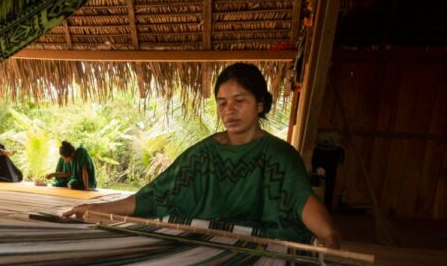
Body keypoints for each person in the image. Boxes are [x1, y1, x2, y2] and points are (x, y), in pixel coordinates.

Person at [63, 63, 340, 248]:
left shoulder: (279, 156)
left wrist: (329, 237)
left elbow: (302, 199)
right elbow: (155, 196)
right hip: (204, 244)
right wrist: (98, 208)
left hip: (262, 250)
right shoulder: (204, 154)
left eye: (239, 101)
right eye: (222, 103)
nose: (228, 110)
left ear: (260, 104)